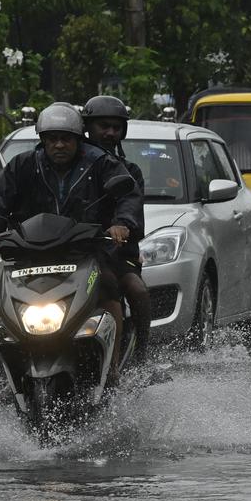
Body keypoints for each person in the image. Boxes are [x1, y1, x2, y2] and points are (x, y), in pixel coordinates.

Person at [0, 102, 141, 383]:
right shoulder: (23, 165)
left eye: (66, 139)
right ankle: (7, 369)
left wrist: (122, 223)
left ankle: (111, 371)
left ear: (78, 139)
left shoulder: (101, 163)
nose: (59, 145)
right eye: (52, 139)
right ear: (43, 141)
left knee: (110, 287)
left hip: (86, 252)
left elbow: (127, 195)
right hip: (31, 256)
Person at [82, 95, 151, 361]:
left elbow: (132, 210)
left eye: (116, 127)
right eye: (103, 126)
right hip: (75, 253)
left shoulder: (130, 171)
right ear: (88, 127)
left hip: (116, 256)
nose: (110, 132)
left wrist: (121, 226)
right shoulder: (73, 167)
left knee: (137, 290)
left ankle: (141, 355)